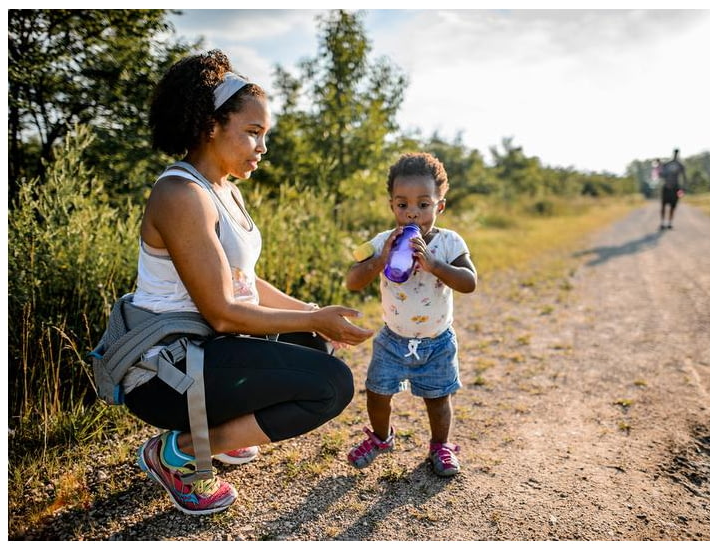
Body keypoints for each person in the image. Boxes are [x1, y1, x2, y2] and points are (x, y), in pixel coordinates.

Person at [125, 49, 374, 515]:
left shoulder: (225, 189)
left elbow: (246, 283)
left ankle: (217, 434)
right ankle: (179, 453)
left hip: (207, 353)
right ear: (210, 127)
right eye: (253, 133)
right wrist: (317, 317)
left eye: (266, 135)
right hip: (165, 371)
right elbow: (221, 311)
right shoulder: (180, 193)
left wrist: (314, 317)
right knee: (331, 385)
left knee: (313, 344)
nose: (262, 148)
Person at [344, 152, 478, 477]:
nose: (412, 214)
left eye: (423, 204)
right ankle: (380, 437)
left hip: (436, 340)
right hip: (393, 338)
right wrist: (380, 260)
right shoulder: (382, 242)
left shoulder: (448, 243)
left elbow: (469, 282)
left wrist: (434, 265)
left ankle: (440, 446)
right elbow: (352, 281)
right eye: (403, 205)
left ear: (439, 206)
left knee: (437, 397)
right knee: (377, 391)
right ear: (392, 206)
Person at [659, 148, 688, 230]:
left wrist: (683, 188)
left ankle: (669, 223)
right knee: (663, 206)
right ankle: (663, 223)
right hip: (666, 187)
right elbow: (661, 175)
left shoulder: (680, 165)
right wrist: (660, 170)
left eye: (677, 153)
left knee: (673, 206)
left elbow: (684, 177)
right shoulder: (667, 164)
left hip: (676, 188)